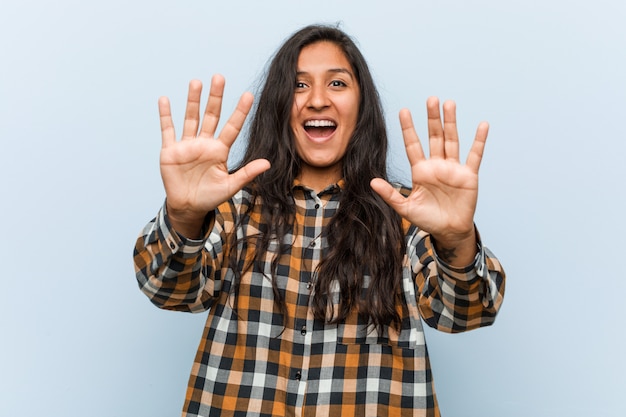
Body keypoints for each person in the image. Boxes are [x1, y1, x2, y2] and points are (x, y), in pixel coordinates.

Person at [134, 24, 505, 417]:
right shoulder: (233, 207)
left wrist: (456, 239)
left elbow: (467, 312)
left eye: (338, 84)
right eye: (298, 85)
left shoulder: (407, 215)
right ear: (279, 103)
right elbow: (167, 289)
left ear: (362, 107)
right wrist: (185, 216)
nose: (317, 100)